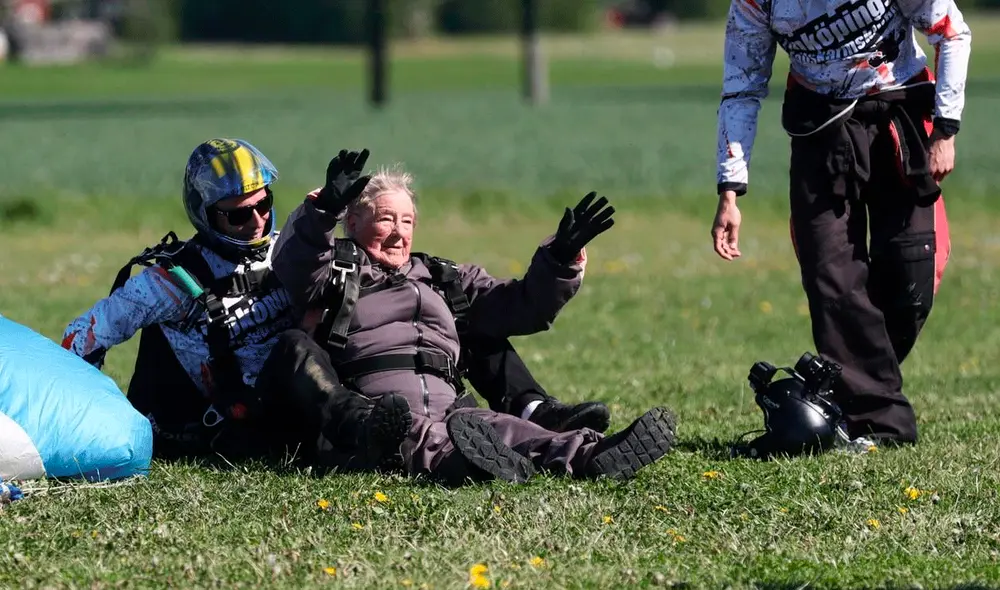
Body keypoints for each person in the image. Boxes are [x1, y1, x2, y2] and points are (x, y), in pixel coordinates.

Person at [61, 138, 609, 471]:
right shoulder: (168, 282)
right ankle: (380, 431)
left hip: (326, 403)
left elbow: (303, 246)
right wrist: (76, 418)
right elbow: (80, 337)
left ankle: (539, 419)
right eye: (237, 214)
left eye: (263, 208)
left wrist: (561, 260)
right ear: (206, 214)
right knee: (294, 345)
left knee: (454, 311)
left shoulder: (284, 246)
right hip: (254, 414)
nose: (255, 222)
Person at [270, 149, 677, 485]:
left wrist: (558, 258)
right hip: (378, 411)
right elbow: (297, 270)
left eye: (407, 221)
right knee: (420, 433)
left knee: (497, 426)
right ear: (354, 222)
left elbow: (521, 305)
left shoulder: (444, 277)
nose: (398, 232)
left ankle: (591, 453)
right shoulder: (337, 270)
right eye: (385, 219)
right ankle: (463, 463)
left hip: (451, 407)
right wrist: (322, 213)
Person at [711, 0, 971, 447]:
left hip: (900, 118)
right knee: (830, 276)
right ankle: (879, 424)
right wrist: (730, 189)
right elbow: (742, 87)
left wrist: (945, 129)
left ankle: (840, 391)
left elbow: (951, 32)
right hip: (821, 131)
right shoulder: (756, 3)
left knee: (912, 274)